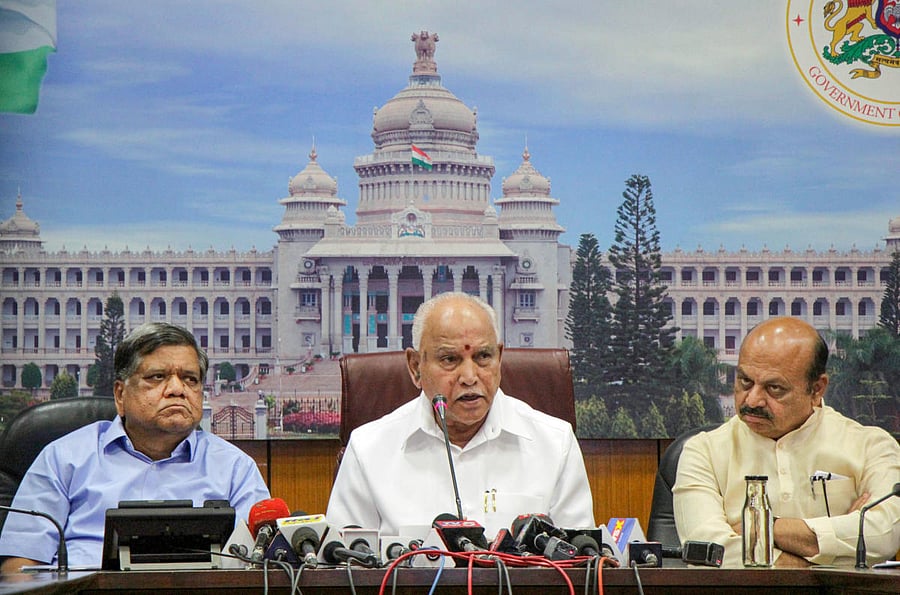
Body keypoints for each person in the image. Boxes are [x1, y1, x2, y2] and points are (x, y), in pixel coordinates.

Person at [0, 322, 270, 573]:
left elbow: (258, 565)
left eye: (190, 379)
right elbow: (21, 568)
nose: (177, 389)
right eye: (157, 377)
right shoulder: (63, 458)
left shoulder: (236, 468)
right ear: (120, 394)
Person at [326, 292, 595, 538]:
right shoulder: (368, 449)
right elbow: (342, 569)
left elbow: (582, 561)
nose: (469, 377)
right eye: (449, 359)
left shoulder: (555, 443)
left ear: (500, 358)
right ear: (415, 367)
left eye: (483, 357)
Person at [673, 317, 900, 567]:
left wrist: (765, 528)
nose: (753, 400)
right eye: (745, 382)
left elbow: (884, 534)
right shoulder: (703, 451)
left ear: (816, 389)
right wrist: (829, 559)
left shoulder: (871, 447)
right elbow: (706, 550)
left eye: (774, 389)